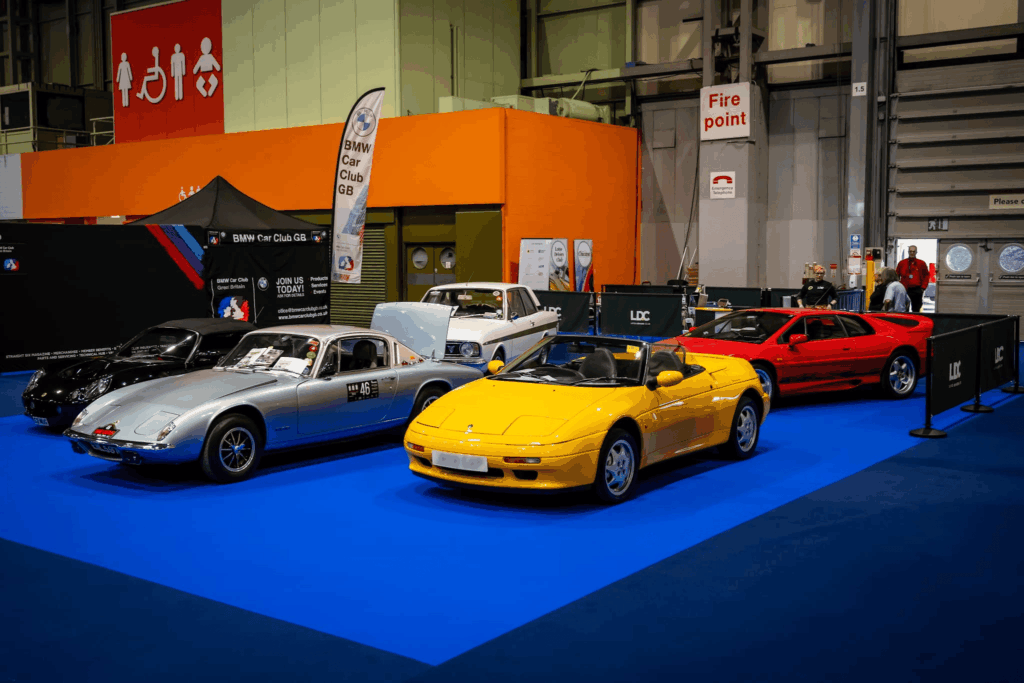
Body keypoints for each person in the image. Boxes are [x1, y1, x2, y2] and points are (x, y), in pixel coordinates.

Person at [896, 245, 930, 312]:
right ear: (908, 252)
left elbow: (926, 276)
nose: (912, 253)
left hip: (917, 289)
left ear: (916, 252)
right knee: (904, 308)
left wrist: (923, 288)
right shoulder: (902, 263)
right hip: (904, 289)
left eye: (913, 251)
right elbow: (897, 275)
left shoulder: (921, 263)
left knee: (916, 309)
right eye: (910, 251)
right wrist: (898, 287)